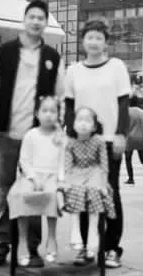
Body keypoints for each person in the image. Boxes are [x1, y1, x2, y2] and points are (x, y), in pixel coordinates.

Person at [0, 0, 65, 271]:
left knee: (36, 193)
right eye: (32, 16)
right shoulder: (4, 52)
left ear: (46, 23)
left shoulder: (53, 58)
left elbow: (60, 98)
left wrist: (59, 129)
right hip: (4, 135)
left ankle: (31, 248)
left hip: (39, 138)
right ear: (24, 20)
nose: (36, 21)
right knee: (1, 194)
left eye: (41, 18)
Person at [64, 19, 131, 269]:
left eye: (98, 38)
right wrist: (70, 136)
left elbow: (123, 103)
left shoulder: (116, 67)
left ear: (105, 43)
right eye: (89, 37)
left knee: (109, 194)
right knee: (82, 194)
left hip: (109, 142)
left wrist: (121, 134)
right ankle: (86, 247)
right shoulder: (73, 70)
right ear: (83, 41)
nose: (93, 42)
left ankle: (112, 248)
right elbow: (69, 106)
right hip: (81, 143)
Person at [7, 96, 66, 266]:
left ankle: (51, 237)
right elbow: (24, 160)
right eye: (44, 111)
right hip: (32, 176)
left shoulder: (60, 137)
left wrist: (61, 180)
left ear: (58, 114)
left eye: (53, 111)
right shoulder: (31, 135)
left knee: (53, 196)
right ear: (37, 113)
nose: (48, 115)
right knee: (20, 195)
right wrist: (33, 178)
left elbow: (63, 161)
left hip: (52, 176)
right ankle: (23, 240)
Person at [63, 107, 115, 263]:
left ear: (94, 126)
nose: (83, 124)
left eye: (87, 120)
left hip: (94, 173)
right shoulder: (70, 143)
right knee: (75, 191)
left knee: (95, 193)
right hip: (76, 173)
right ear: (73, 124)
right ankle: (75, 230)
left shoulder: (99, 141)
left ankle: (93, 234)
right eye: (79, 120)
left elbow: (104, 165)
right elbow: (68, 165)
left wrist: (103, 183)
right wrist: (67, 181)